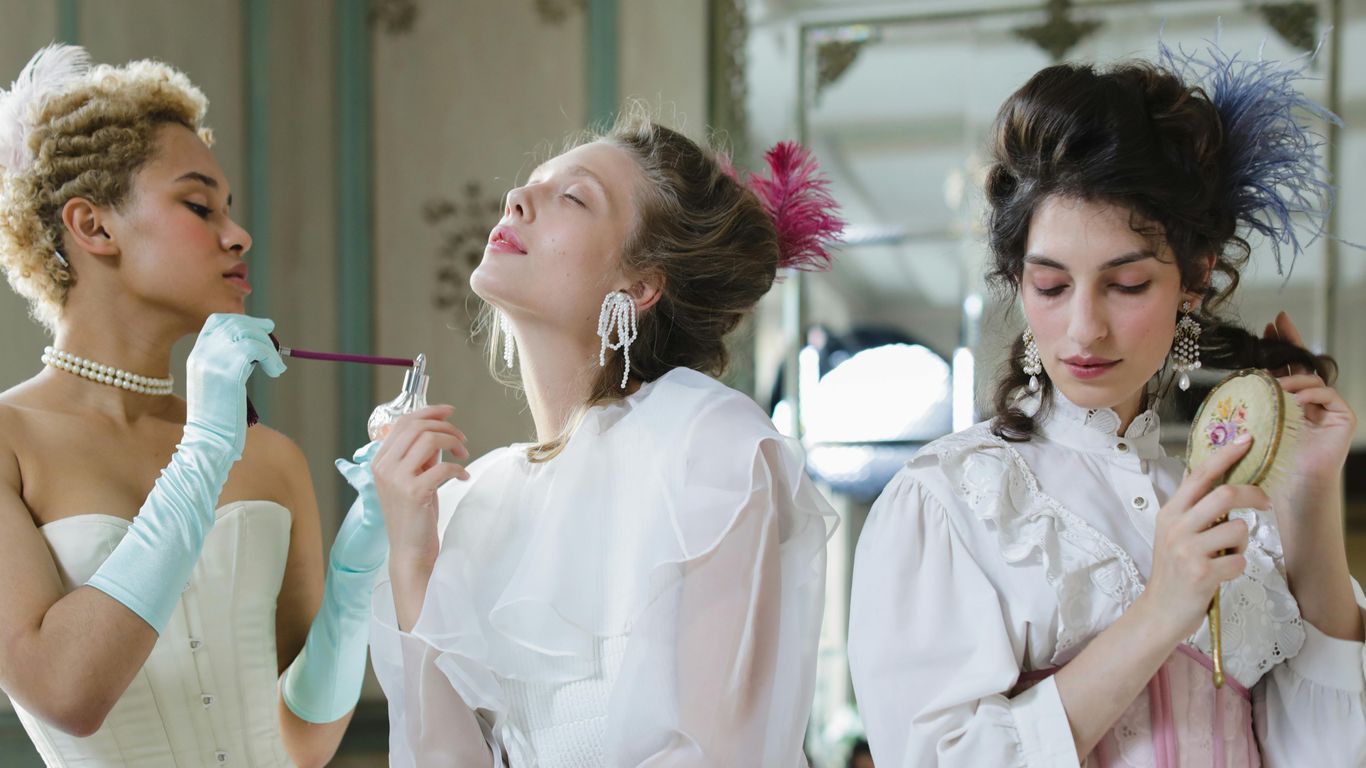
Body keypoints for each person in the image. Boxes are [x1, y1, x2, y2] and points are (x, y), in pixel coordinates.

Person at [848, 41, 1366, 766]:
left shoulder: (1220, 507)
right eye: (1052, 286)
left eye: (1126, 285)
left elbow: (1333, 753)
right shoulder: (951, 501)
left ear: (1194, 279)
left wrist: (1310, 502)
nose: (1085, 327)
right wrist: (1160, 611)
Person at [366, 111, 843, 766]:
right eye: (530, 183)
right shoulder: (476, 497)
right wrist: (412, 553)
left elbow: (722, 750)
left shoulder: (708, 444)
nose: (517, 200)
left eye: (572, 195)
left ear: (639, 285)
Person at [0, 45, 382, 766]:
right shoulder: (8, 443)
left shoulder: (272, 459)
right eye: (198, 205)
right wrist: (205, 444)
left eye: (228, 210)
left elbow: (304, 743)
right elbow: (67, 693)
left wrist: (358, 574)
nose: (237, 235)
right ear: (94, 227)